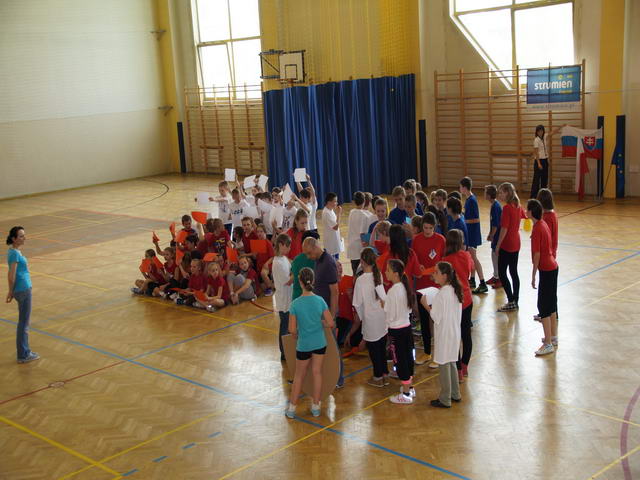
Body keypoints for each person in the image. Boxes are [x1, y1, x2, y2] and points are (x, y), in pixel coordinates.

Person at [285, 267, 335, 419]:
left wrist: (296, 333)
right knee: (317, 372)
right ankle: (316, 407)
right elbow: (331, 323)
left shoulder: (295, 304)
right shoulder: (320, 301)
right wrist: (320, 323)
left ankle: (292, 409)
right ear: (313, 281)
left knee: (299, 376)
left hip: (304, 345)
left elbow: (291, 329)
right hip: (319, 343)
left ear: (300, 282)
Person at [419, 261, 463, 408]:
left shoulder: (441, 294)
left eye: (436, 272)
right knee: (452, 362)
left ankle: (445, 399)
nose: (434, 274)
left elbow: (436, 317)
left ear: (444, 276)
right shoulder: (455, 290)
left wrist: (426, 305)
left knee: (444, 365)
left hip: (444, 334)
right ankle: (455, 393)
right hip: (454, 332)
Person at [303, 236, 344, 387]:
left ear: (315, 247)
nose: (308, 257)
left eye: (309, 253)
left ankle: (339, 379)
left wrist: (331, 317)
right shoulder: (318, 261)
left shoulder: (328, 263)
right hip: (320, 312)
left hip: (327, 314)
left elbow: (335, 292)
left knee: (332, 347)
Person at [413, 212, 446, 365]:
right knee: (424, 321)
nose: (427, 231)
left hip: (436, 286)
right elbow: (414, 259)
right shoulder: (416, 240)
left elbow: (444, 262)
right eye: (425, 228)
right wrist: (418, 266)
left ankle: (439, 355)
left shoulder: (441, 240)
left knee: (437, 321)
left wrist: (435, 273)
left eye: (430, 228)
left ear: (435, 227)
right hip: (421, 286)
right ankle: (427, 352)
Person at [527, 199, 559, 356]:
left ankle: (547, 344)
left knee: (543, 307)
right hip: (553, 267)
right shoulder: (543, 223)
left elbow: (537, 255)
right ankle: (553, 337)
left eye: (527, 210)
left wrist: (533, 275)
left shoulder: (537, 228)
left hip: (546, 269)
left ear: (531, 212)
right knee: (551, 305)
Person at [353, 248, 389, 387]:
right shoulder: (378, 275)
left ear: (362, 262)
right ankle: (384, 373)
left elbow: (357, 303)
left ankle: (377, 377)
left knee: (374, 350)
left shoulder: (360, 280)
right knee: (381, 347)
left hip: (370, 318)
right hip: (381, 317)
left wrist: (362, 318)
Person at [442, 229, 473, 381]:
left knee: (455, 336)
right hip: (467, 298)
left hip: (454, 301)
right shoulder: (466, 255)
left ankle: (458, 370)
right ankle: (465, 365)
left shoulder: (446, 260)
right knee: (466, 334)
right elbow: (469, 271)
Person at [384, 259, 416, 404]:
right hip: (406, 328)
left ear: (396, 274)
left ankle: (406, 394)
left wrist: (384, 305)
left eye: (388, 270)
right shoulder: (404, 287)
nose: (385, 273)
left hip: (396, 331)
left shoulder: (392, 292)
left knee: (400, 361)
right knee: (408, 358)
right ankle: (410, 387)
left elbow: (390, 315)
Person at [6, 227, 39, 364]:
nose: (24, 238)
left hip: (21, 289)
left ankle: (24, 352)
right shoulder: (14, 253)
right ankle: (23, 354)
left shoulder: (14, 252)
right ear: (14, 239)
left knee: (23, 322)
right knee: (24, 324)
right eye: (21, 236)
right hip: (23, 290)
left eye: (24, 235)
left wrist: (11, 291)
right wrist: (10, 291)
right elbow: (11, 275)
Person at [495, 182, 525, 312]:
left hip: (507, 243)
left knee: (502, 273)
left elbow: (504, 229)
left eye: (501, 192)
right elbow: (525, 216)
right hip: (516, 242)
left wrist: (498, 245)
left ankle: (511, 300)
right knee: (513, 272)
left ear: (507, 193)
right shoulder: (517, 205)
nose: (499, 195)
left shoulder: (507, 208)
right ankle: (515, 300)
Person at [460, 176, 487, 293]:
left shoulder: (472, 200)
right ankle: (472, 279)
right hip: (470, 232)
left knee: (474, 258)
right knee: (471, 257)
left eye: (460, 187)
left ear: (464, 187)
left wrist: (463, 220)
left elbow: (475, 219)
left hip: (472, 233)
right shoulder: (469, 199)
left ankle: (482, 282)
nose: (460, 189)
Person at [272, 234, 293, 360]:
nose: (289, 249)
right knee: (284, 326)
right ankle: (283, 352)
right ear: (281, 245)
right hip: (283, 299)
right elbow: (288, 280)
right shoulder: (277, 263)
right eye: (288, 246)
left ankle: (288, 349)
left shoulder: (284, 258)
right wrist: (297, 272)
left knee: (288, 325)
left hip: (288, 297)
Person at [530, 124, 562, 198]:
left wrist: (560, 127)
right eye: (539, 131)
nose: (540, 132)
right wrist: (539, 163)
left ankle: (543, 196)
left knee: (544, 179)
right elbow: (536, 152)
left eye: (541, 131)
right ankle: (533, 196)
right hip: (539, 161)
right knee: (536, 180)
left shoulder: (544, 137)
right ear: (537, 132)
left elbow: (552, 132)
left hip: (545, 160)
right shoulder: (536, 140)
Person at [346, 191, 370, 274]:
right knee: (361, 273)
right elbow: (363, 233)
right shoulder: (365, 216)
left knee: (355, 272)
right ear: (364, 201)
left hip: (352, 247)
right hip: (360, 248)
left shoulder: (351, 212)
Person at [290, 231, 318, 301]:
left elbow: (292, 276)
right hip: (310, 296)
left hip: (296, 297)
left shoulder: (296, 259)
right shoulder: (315, 259)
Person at [484, 185, 502, 289]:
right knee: (493, 254)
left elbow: (496, 224)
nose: (484, 194)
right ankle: (496, 276)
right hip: (495, 235)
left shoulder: (496, 207)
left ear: (489, 195)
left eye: (485, 192)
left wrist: (491, 235)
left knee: (496, 255)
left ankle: (500, 278)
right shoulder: (494, 205)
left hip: (497, 236)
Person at [321, 192, 343, 259]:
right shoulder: (326, 213)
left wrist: (339, 236)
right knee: (332, 261)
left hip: (334, 240)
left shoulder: (330, 210)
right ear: (329, 202)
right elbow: (335, 227)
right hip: (331, 243)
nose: (336, 203)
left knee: (336, 259)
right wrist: (339, 214)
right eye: (335, 201)